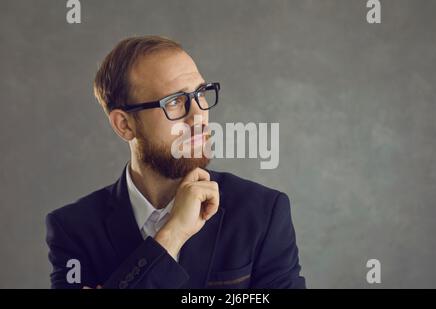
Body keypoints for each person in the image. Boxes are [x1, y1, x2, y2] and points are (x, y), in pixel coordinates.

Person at [45, 35, 306, 289]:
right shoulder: (73, 230)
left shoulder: (261, 213)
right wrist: (173, 233)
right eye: (174, 101)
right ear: (124, 125)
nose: (198, 115)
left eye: (200, 93)